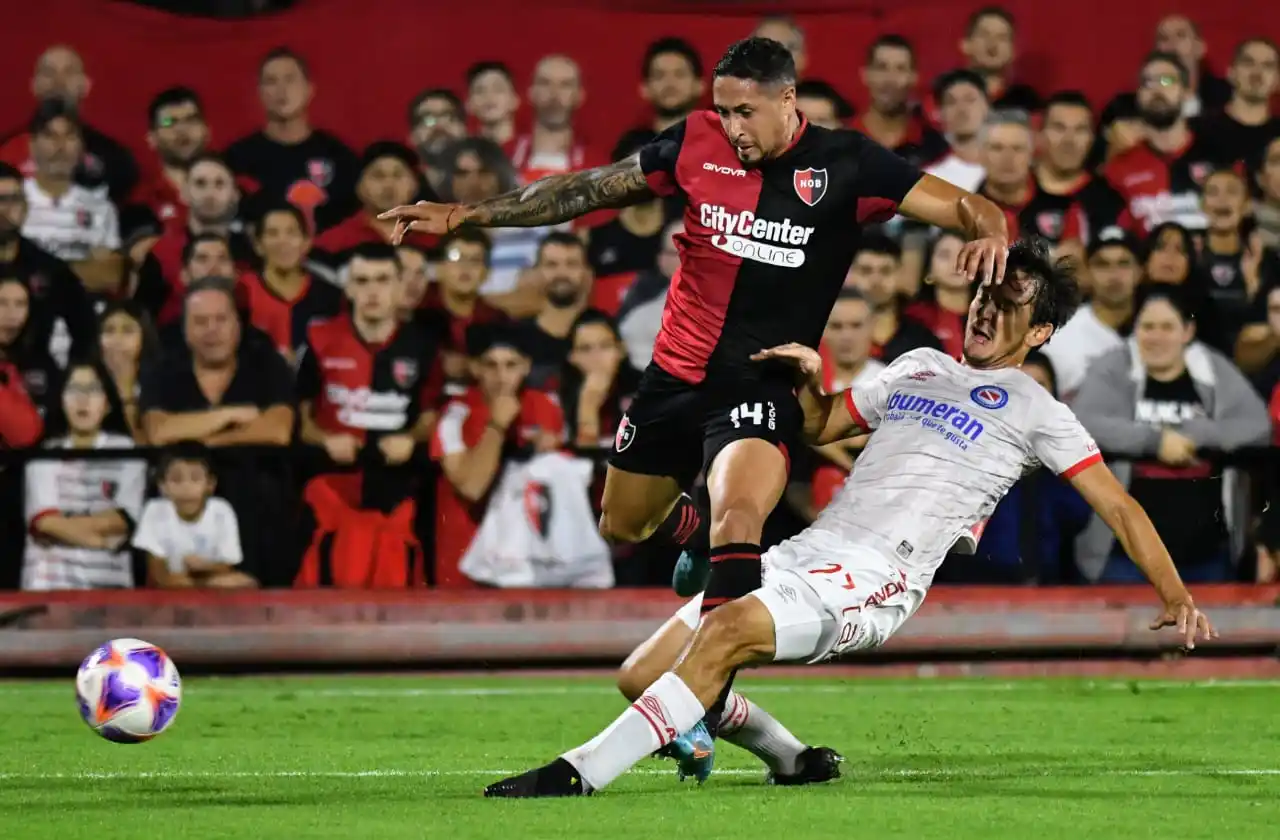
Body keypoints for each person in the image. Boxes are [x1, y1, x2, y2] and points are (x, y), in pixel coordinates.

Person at [382, 36, 1009, 732]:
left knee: (739, 520)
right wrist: (466, 215)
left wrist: (993, 232)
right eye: (724, 111)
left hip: (763, 382)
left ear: (787, 100)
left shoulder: (848, 163)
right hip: (675, 376)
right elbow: (586, 188)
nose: (734, 128)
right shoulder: (695, 142)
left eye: (746, 111)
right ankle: (695, 541)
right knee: (623, 522)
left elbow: (968, 208)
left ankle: (694, 703)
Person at [483, 239, 1218, 799]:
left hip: (879, 575)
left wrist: (1176, 595)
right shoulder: (919, 363)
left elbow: (1119, 506)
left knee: (725, 633)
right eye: (983, 292)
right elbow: (823, 425)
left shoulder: (1038, 410)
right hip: (811, 549)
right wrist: (810, 382)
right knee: (639, 673)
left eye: (1011, 303)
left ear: (1042, 331)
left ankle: (577, 774)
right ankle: (791, 760)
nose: (986, 309)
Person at [132, 446, 256, 589]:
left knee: (245, 582)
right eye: (176, 479)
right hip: (168, 587)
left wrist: (204, 567)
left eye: (195, 478)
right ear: (163, 486)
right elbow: (156, 571)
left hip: (210, 581)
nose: (186, 487)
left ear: (210, 484)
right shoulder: (154, 511)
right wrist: (189, 582)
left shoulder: (221, 511)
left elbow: (226, 567)